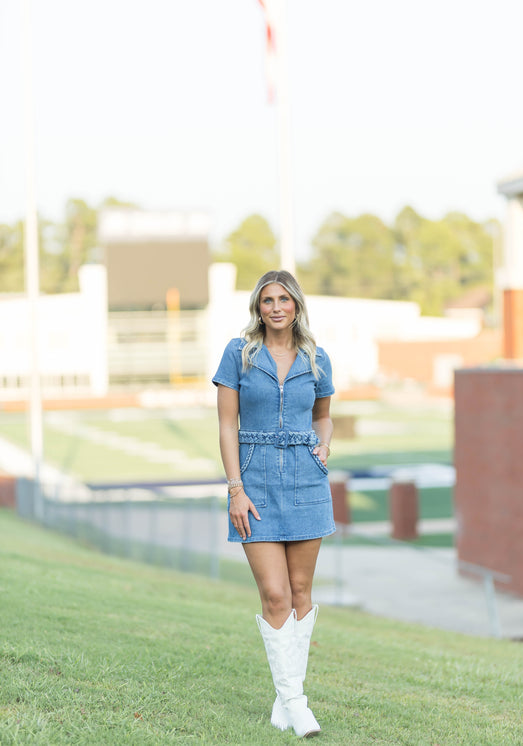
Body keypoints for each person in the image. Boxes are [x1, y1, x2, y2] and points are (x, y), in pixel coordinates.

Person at [212, 270, 335, 738]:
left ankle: (287, 700)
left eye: (285, 298)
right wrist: (235, 488)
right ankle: (297, 703)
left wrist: (324, 446)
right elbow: (227, 426)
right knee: (276, 595)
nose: (277, 307)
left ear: (297, 305)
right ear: (257, 307)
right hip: (255, 484)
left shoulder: (317, 358)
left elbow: (323, 418)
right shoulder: (238, 354)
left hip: (307, 482)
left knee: (301, 592)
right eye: (268, 300)